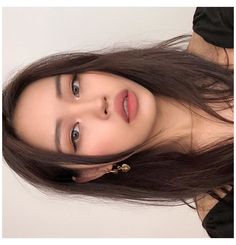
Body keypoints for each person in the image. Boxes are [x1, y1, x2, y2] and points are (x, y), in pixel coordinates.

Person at [3, 8, 233, 238]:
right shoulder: (225, 218)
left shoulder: (219, 19)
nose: (97, 105)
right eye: (74, 134)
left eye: (75, 88)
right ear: (91, 172)